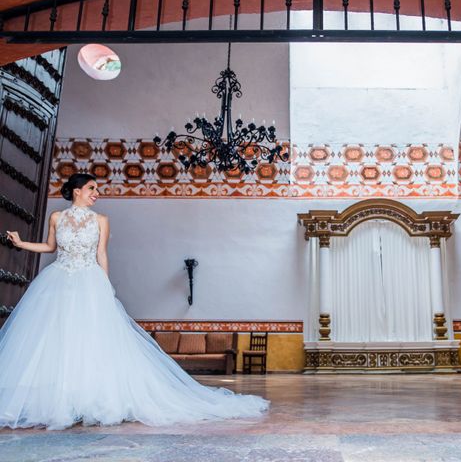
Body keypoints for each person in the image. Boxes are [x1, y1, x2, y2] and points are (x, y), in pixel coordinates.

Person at [1, 173, 268, 430]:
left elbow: (102, 255)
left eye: (97, 189)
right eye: (92, 188)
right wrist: (22, 243)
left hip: (89, 281)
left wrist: (104, 288)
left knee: (91, 340)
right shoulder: (57, 217)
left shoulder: (101, 220)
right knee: (58, 339)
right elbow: (50, 247)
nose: (97, 193)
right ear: (77, 191)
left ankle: (91, 399)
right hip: (58, 281)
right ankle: (60, 400)